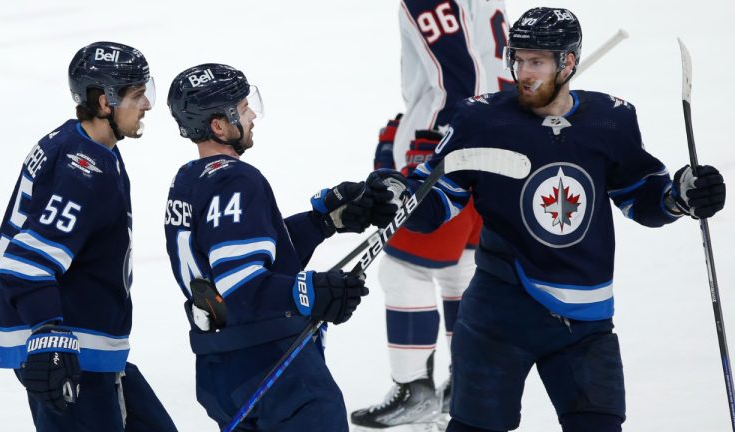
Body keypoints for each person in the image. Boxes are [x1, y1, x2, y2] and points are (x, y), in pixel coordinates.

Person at [367, 7, 726, 432]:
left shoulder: (611, 120)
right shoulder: (481, 120)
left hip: (587, 324)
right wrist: (396, 194)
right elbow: (435, 202)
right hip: (497, 319)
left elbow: (642, 197)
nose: (523, 72)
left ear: (568, 62)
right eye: (517, 59)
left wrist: (681, 195)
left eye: (536, 62)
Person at [164, 63, 382, 431]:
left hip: (222, 370)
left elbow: (245, 254)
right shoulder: (237, 179)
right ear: (219, 124)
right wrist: (311, 291)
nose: (252, 116)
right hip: (274, 368)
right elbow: (241, 285)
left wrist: (322, 222)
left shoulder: (188, 179)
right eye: (244, 107)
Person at [0, 41, 177, 431]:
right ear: (104, 102)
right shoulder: (83, 169)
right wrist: (48, 329)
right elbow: (24, 264)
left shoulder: (78, 144)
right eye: (137, 95)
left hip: (86, 345)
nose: (147, 105)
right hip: (68, 353)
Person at [351, 0, 513, 428]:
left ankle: (415, 391)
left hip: (454, 148)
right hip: (498, 144)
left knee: (405, 269)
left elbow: (459, 71)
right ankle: (465, 383)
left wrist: (432, 139)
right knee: (461, 266)